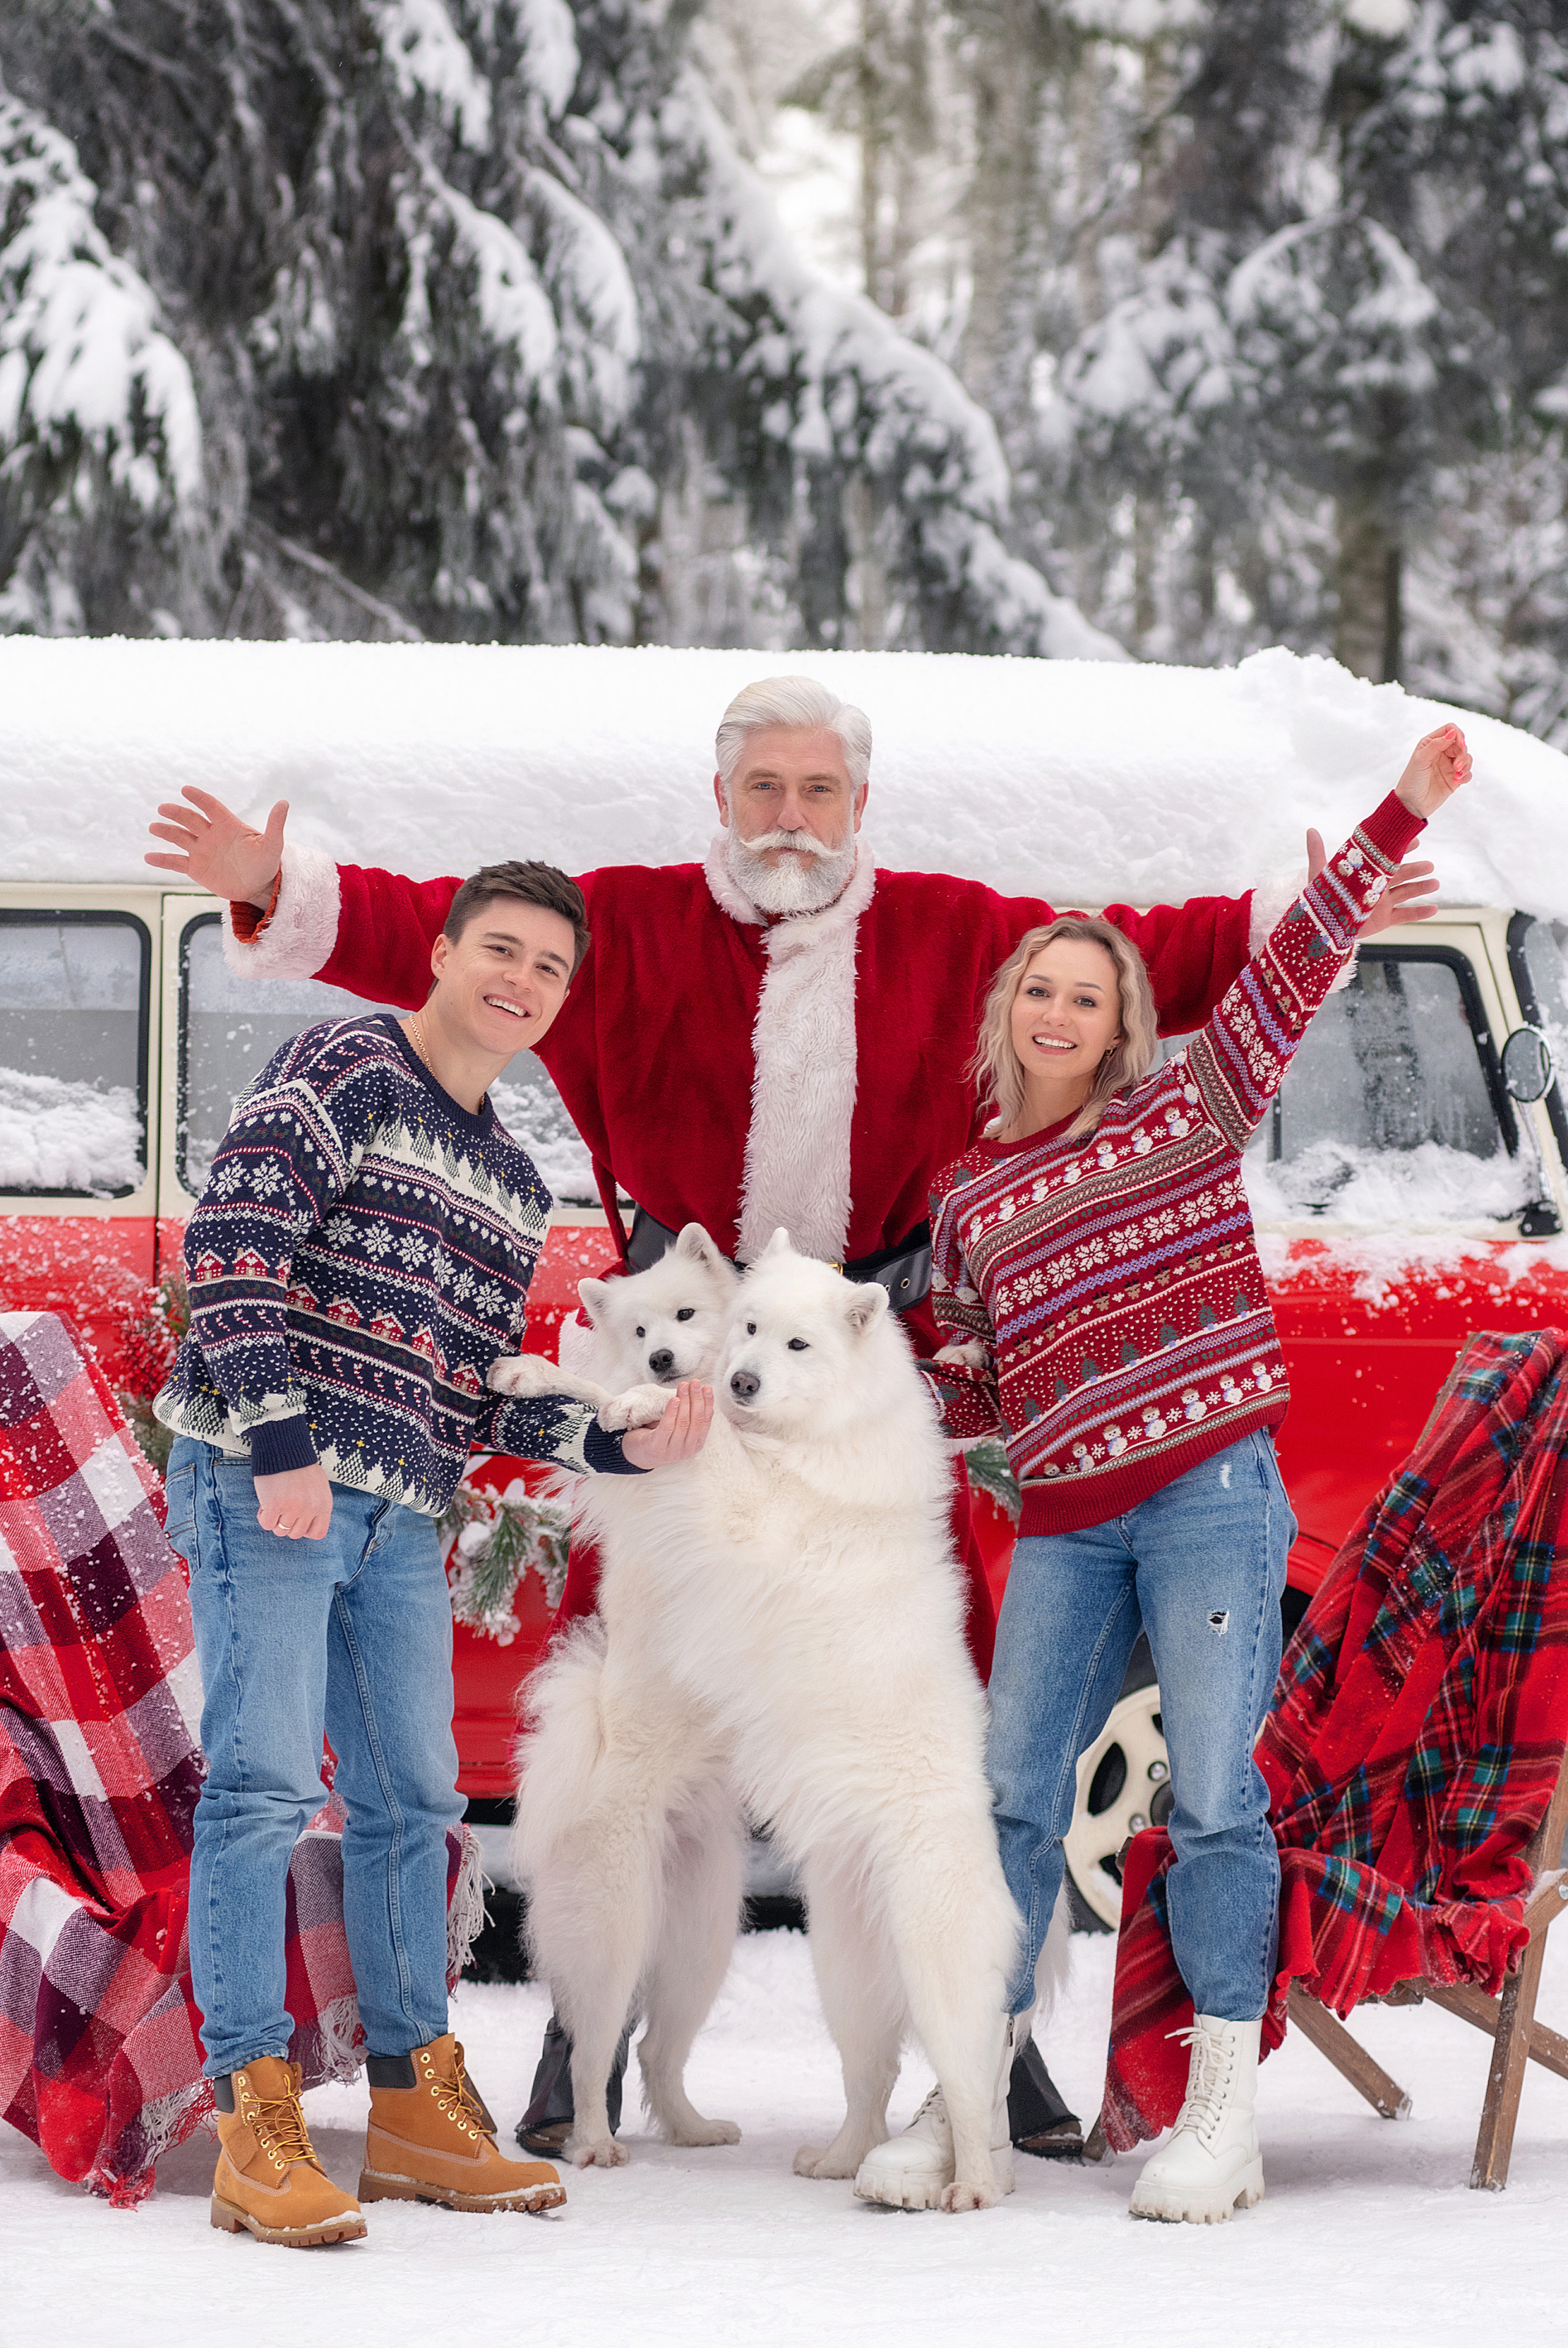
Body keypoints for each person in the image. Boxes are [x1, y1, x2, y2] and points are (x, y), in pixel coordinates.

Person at [145, 674, 1440, 2159]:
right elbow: (448, 936)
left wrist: (1313, 900)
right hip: (670, 1381)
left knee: (919, 1756)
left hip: (861, 1401)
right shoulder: (617, 928)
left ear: (858, 807)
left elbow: (1150, 960)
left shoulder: (954, 933)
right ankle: (584, 2053)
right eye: (762, 789)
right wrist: (278, 890)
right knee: (636, 1741)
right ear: (721, 798)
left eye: (816, 792)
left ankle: (983, 2044)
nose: (788, 819)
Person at [852, 724, 1471, 2222]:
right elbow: (970, 1377)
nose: (1060, 1009)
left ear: (1122, 1023)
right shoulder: (968, 1188)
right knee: (1002, 1801)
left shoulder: (1184, 1115)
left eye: (1089, 993)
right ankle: (965, 2086)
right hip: (1062, 1524)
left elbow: (1284, 978)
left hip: (1206, 1495)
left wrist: (1397, 812)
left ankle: (1220, 2113)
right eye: (1041, 990)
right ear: (1008, 1015)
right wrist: (829, 1383)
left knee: (1208, 1800)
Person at [155, 857, 713, 2247]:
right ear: (447, 951)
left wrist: (615, 1450)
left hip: (401, 1509)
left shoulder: (511, 1180)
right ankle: (255, 2119)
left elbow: (466, 1392)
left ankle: (412, 2102)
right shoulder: (342, 1062)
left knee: (419, 1801)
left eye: (548, 971)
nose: (519, 984)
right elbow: (233, 1243)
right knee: (266, 1788)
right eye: (500, 952)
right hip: (258, 1477)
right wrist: (278, 1442)